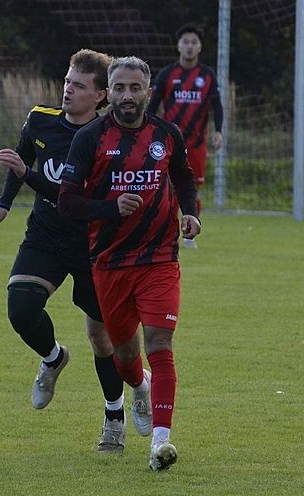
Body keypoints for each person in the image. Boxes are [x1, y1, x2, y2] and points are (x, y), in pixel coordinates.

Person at [0, 50, 152, 454]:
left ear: (101, 97)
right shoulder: (41, 119)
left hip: (95, 243)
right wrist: (4, 202)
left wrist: (28, 177)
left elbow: (76, 200)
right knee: (21, 307)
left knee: (102, 339)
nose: (67, 90)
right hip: (46, 235)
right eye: (67, 82)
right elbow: (21, 158)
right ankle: (53, 358)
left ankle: (115, 417)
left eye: (78, 86)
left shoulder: (108, 139)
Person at [58, 56, 201, 471]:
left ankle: (161, 442)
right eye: (119, 88)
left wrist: (190, 212)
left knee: (160, 344)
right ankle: (139, 386)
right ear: (110, 92)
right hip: (110, 262)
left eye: (135, 87)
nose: (126, 95)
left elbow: (184, 176)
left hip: (159, 259)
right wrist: (110, 207)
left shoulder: (166, 134)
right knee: (124, 356)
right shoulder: (89, 138)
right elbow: (67, 202)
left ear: (147, 92)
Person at [146, 23, 224, 247]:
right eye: (186, 42)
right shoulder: (167, 74)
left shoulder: (207, 75)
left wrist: (218, 131)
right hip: (170, 141)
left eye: (194, 42)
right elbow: (153, 105)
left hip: (197, 141)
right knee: (166, 186)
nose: (189, 46)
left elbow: (217, 106)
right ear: (178, 46)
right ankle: (165, 230)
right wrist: (148, 131)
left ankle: (190, 233)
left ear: (199, 47)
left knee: (192, 187)